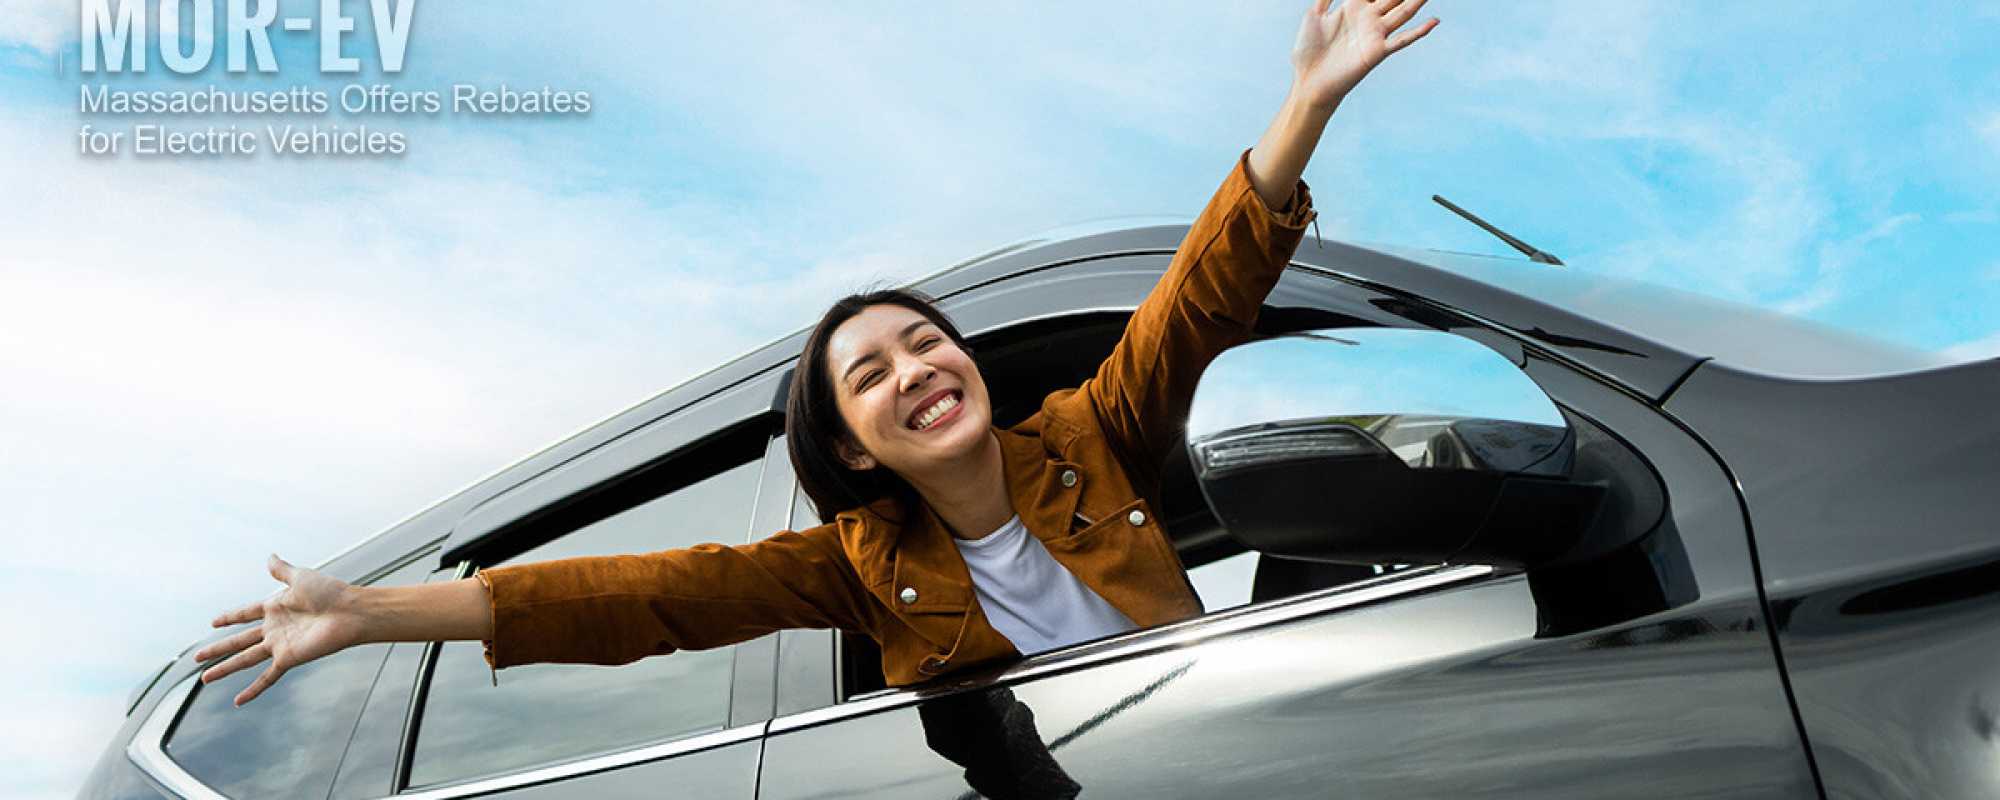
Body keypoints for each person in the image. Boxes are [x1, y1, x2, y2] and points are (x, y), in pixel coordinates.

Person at [196, 0, 1439, 707]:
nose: (914, 368)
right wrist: (363, 609)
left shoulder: (1085, 436)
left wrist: (1304, 105)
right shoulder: (853, 564)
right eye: (871, 372)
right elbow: (645, 596)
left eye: (923, 341)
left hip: (1203, 744)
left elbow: (1193, 302)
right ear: (849, 439)